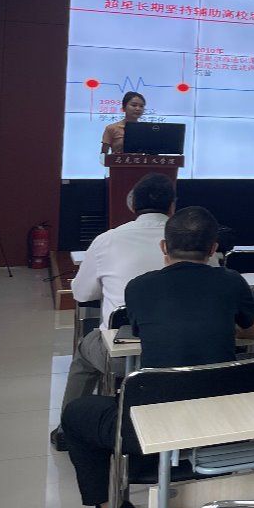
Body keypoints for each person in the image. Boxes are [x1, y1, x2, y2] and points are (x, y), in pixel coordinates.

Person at [60, 206, 254, 508]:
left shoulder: (139, 288)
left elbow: (143, 331)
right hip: (225, 419)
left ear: (164, 247)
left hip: (152, 425)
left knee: (75, 414)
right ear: (214, 249)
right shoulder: (232, 281)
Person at [52, 173, 175, 451]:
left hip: (124, 355)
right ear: (172, 206)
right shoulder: (192, 242)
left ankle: (67, 429)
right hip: (185, 352)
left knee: (84, 352)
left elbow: (82, 294)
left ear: (131, 205)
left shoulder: (107, 240)